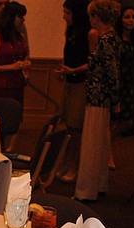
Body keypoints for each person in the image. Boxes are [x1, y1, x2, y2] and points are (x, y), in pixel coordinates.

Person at [73, 0, 120, 203]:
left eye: (92, 16)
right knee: (99, 143)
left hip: (99, 97)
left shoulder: (106, 40)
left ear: (98, 17)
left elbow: (112, 72)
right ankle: (98, 184)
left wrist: (116, 99)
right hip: (100, 96)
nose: (90, 19)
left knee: (92, 144)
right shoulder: (109, 38)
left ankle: (86, 190)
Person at [54, 0, 93, 183]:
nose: (64, 16)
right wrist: (64, 71)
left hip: (81, 84)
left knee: (77, 128)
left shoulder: (89, 34)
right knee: (67, 124)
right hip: (70, 82)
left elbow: (92, 63)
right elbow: (67, 54)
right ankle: (64, 162)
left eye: (67, 13)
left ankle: (74, 165)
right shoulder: (70, 31)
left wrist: (74, 70)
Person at [0, 1, 31, 106]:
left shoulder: (20, 37)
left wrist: (26, 65)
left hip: (17, 84)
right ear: (11, 17)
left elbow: (25, 56)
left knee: (14, 116)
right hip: (0, 85)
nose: (23, 20)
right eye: (20, 17)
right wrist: (11, 67)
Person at [115, 5, 134, 134]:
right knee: (115, 117)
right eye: (127, 17)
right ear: (120, 19)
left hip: (130, 81)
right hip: (118, 82)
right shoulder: (116, 38)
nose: (131, 20)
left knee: (128, 116)